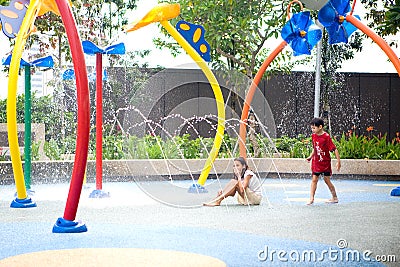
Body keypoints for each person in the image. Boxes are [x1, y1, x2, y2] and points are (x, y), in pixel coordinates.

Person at [306, 117, 341, 205]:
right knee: (314, 179)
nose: (312, 130)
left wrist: (338, 161)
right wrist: (310, 157)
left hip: (325, 162)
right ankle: (311, 198)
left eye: (314, 128)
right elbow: (315, 148)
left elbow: (334, 149)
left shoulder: (326, 137)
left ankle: (335, 197)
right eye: (312, 128)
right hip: (316, 162)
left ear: (320, 127)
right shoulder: (313, 136)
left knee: (327, 180)